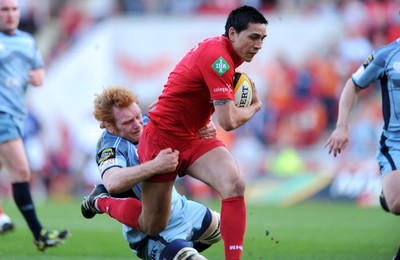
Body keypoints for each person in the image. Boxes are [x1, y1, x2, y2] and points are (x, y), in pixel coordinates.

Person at [136, 5, 267, 260]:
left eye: (262, 38)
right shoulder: (219, 59)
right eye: (253, 37)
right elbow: (227, 122)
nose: (259, 44)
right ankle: (104, 201)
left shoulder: (222, 54)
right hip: (162, 140)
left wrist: (201, 116)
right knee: (153, 225)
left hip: (194, 137)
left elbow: (185, 80)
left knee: (234, 184)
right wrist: (255, 107)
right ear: (232, 33)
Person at [81, 86, 221, 259]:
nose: (137, 124)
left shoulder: (150, 122)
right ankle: (171, 250)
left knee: (227, 228)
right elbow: (113, 182)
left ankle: (171, 254)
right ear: (110, 127)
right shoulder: (110, 145)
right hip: (151, 231)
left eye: (137, 115)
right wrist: (155, 165)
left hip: (180, 208)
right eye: (127, 122)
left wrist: (204, 127)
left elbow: (190, 122)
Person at [0, 0, 69, 251]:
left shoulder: (27, 42)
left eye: (14, 9)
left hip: (17, 115)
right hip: (2, 115)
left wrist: (34, 75)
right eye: (4, 10)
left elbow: (39, 72)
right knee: (21, 171)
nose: (10, 14)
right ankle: (39, 234)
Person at [324, 37, 400, 260]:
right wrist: (342, 126)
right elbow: (352, 85)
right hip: (396, 142)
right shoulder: (386, 55)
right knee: (396, 203)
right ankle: (389, 195)